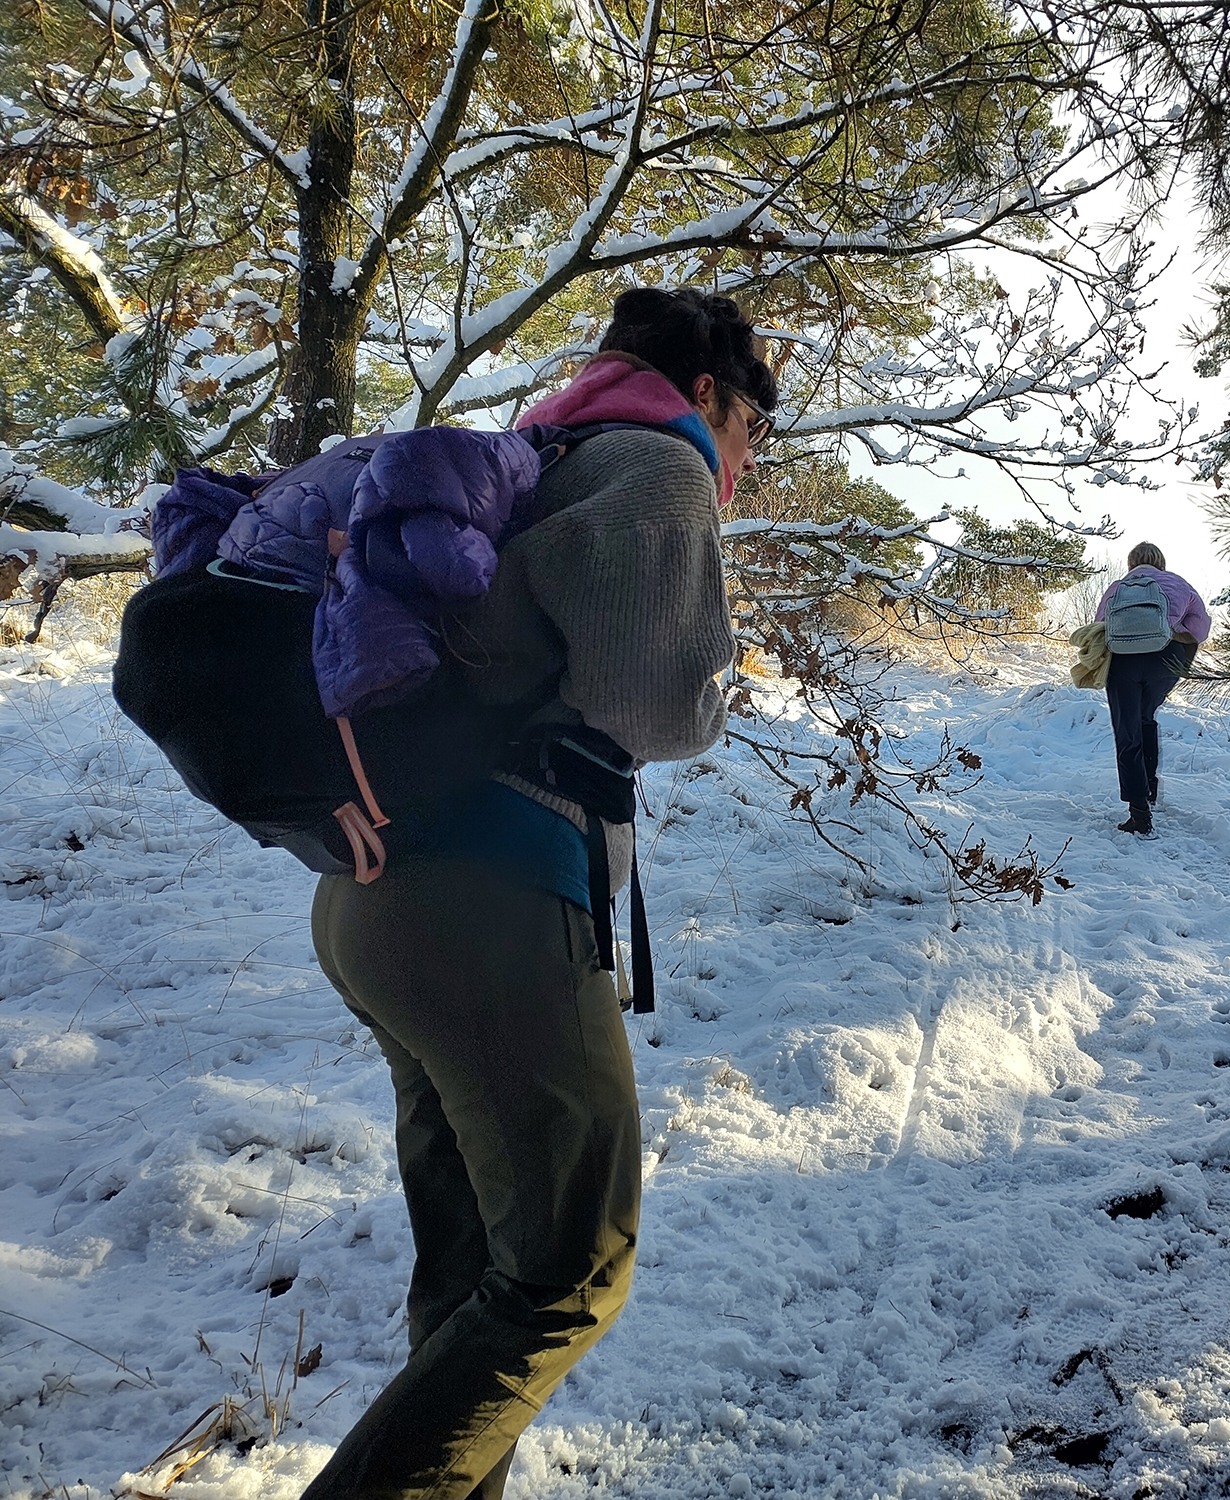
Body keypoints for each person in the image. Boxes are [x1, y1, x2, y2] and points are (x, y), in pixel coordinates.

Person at [303, 287, 775, 1499]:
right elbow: (655, 705)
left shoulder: (527, 459)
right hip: (492, 909)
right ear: (710, 396)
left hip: (375, 905)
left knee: (474, 1275)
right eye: (751, 434)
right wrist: (719, 680)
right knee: (570, 1269)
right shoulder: (655, 469)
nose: (743, 465)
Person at [1095, 542, 1211, 836]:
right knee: (1147, 716)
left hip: (1123, 662)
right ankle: (1150, 787)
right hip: (1165, 659)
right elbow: (1200, 628)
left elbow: (1099, 624)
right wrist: (1173, 639)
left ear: (1131, 563)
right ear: (1161, 562)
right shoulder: (1178, 584)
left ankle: (1139, 814)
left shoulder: (1119, 587)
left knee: (1127, 730)